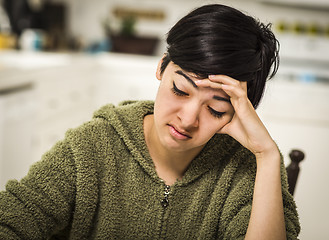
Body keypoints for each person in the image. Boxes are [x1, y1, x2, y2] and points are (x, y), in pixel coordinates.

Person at [0, 4, 300, 240]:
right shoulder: (93, 146)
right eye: (180, 90)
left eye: (216, 110)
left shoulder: (245, 171)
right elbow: (13, 219)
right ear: (161, 66)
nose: (188, 119)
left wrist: (267, 155)